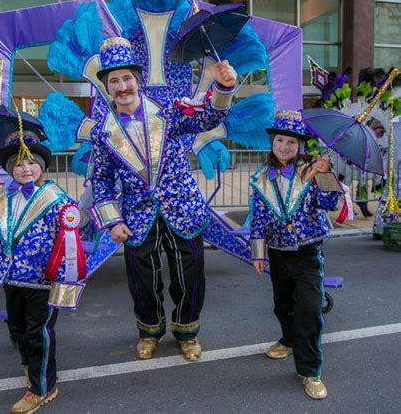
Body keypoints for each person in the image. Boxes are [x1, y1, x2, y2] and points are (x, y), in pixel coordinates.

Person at [88, 37, 237, 361]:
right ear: (107, 88)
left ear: (137, 80)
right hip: (136, 215)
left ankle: (187, 331)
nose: (122, 86)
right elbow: (99, 179)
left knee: (190, 274)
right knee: (142, 280)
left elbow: (206, 119)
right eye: (114, 81)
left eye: (127, 78)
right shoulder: (102, 132)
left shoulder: (169, 110)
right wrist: (112, 220)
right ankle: (149, 332)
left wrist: (223, 89)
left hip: (182, 206)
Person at [0, 130, 79, 413]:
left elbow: (69, 239)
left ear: (41, 166)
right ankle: (33, 367)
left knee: (38, 332)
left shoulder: (56, 199)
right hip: (10, 277)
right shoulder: (2, 196)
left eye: (31, 163)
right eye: (18, 164)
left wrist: (65, 278)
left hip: (42, 280)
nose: (25, 169)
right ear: (9, 170)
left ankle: (42, 387)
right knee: (18, 329)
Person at [250, 110, 342, 400]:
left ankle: (310, 370)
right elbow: (259, 218)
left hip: (307, 253)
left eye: (291, 142)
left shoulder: (311, 171)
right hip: (277, 253)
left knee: (309, 312)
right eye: (280, 141)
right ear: (272, 142)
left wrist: (326, 174)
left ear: (299, 145)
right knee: (283, 305)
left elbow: (328, 202)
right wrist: (258, 253)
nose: (285, 147)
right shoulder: (260, 177)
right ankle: (288, 339)